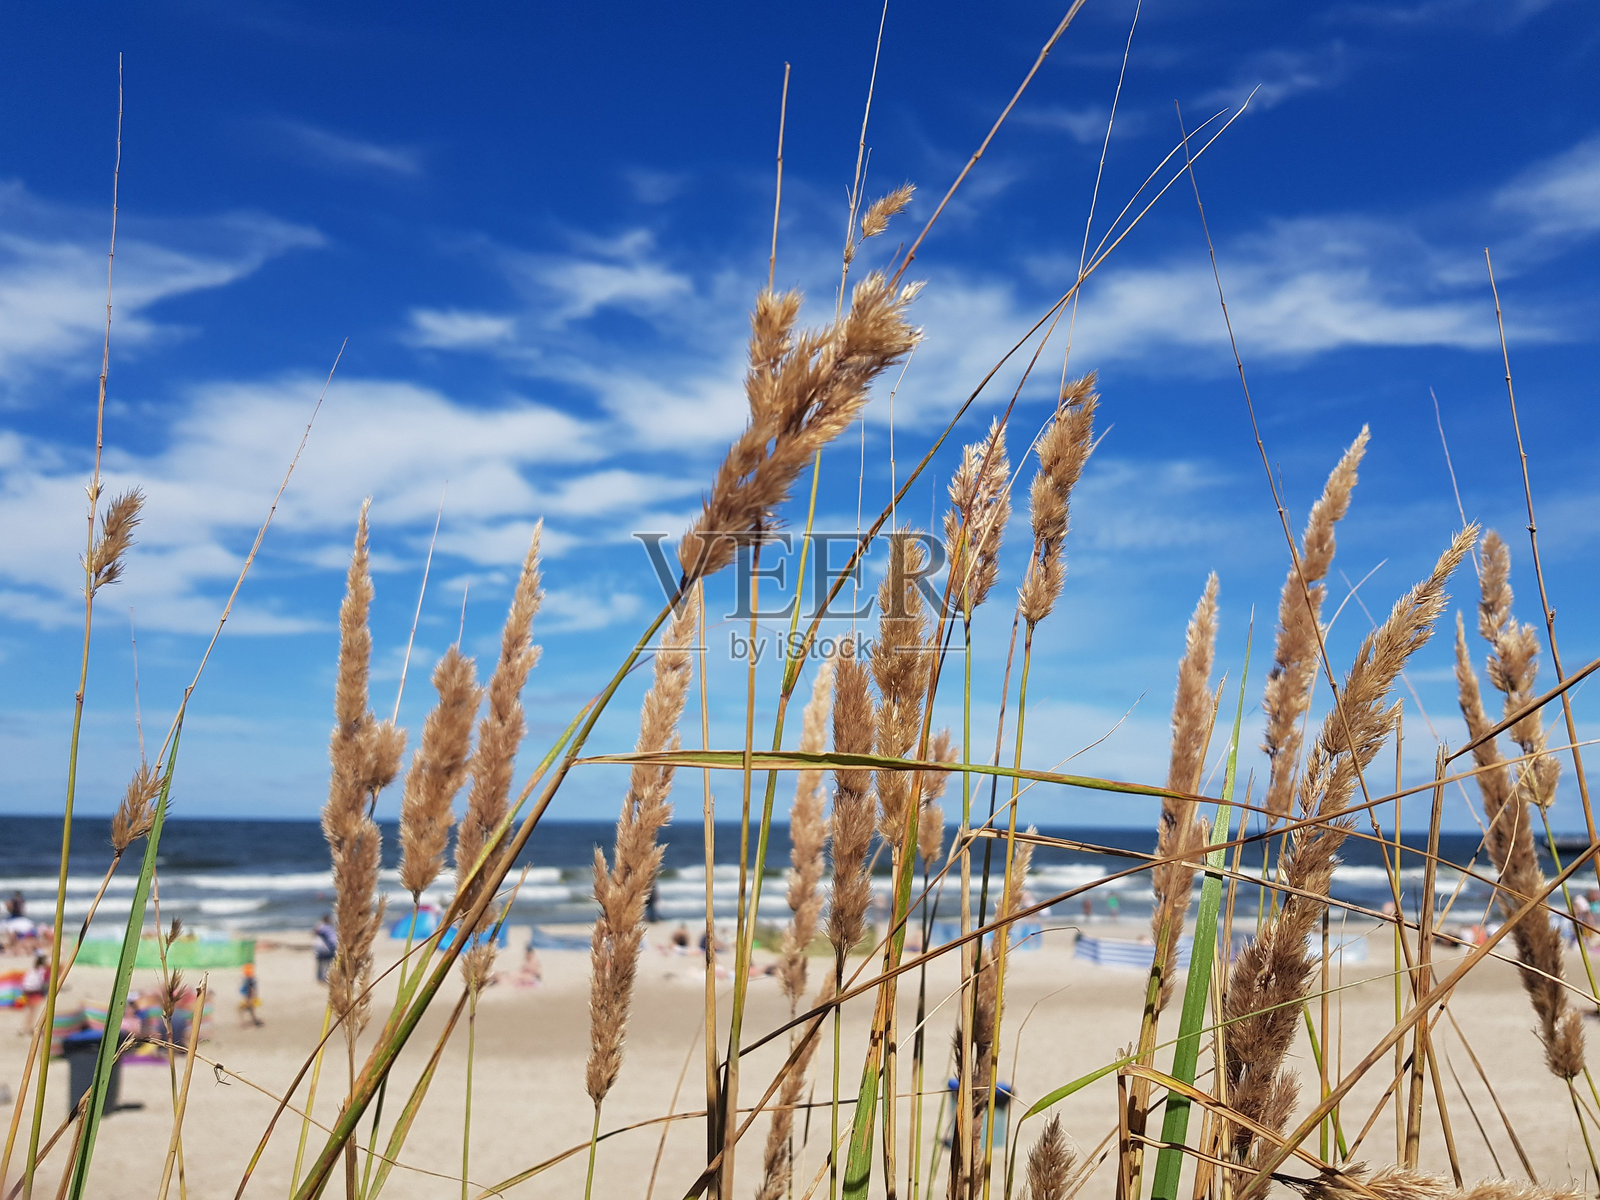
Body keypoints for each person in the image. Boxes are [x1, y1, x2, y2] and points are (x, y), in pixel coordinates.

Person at [312, 914, 337, 984]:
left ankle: (321, 979)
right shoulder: (330, 928)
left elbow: (314, 933)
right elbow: (333, 940)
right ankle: (323, 978)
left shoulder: (322, 927)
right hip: (328, 950)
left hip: (322, 950)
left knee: (321, 965)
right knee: (327, 965)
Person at [238, 963, 263, 1028]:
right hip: (250, 998)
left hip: (249, 998)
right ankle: (255, 1022)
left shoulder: (249, 980)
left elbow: (251, 990)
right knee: (251, 1011)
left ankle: (244, 1023)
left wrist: (250, 999)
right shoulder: (251, 979)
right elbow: (253, 989)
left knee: (241, 1010)